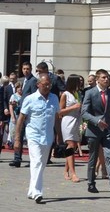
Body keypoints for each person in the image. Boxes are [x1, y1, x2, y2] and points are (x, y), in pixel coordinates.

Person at [12, 72, 59, 202]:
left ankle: (32, 190)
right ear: (38, 85)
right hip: (33, 135)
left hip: (48, 136)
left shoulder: (54, 98)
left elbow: (56, 118)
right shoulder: (30, 99)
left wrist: (59, 137)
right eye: (45, 84)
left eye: (49, 84)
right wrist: (17, 139)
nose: (48, 87)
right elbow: (21, 119)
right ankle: (38, 192)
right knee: (37, 161)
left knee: (40, 164)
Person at [80, 69, 110, 194]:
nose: (107, 80)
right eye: (104, 77)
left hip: (108, 130)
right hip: (94, 130)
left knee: (109, 156)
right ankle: (91, 183)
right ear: (97, 79)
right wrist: (96, 121)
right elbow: (84, 112)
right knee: (93, 158)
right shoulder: (90, 93)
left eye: (108, 78)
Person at [8, 61, 37, 168]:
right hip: (21, 111)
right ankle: (17, 158)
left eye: (27, 69)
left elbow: (33, 97)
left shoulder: (33, 81)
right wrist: (17, 103)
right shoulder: (23, 80)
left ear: (31, 69)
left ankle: (32, 159)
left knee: (29, 137)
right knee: (18, 135)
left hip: (28, 114)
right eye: (24, 69)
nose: (26, 70)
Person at [58, 74, 83, 182]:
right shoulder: (65, 94)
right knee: (70, 144)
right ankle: (73, 173)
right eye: (78, 82)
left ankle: (66, 170)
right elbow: (60, 111)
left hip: (77, 121)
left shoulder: (78, 94)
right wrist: (73, 107)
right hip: (68, 120)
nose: (80, 84)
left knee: (72, 148)